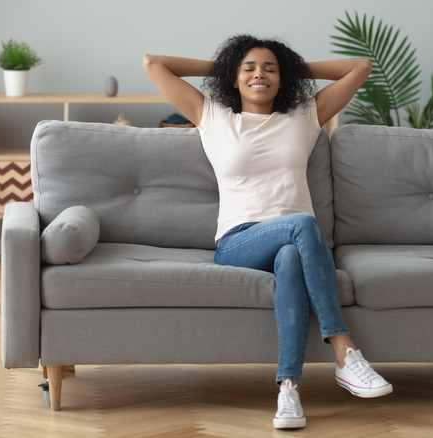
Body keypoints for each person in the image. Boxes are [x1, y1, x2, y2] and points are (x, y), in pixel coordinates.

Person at [144, 34, 392, 430]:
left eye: (270, 69)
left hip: (294, 244)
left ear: (283, 78)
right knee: (303, 223)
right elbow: (153, 62)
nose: (260, 74)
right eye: (249, 68)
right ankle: (345, 351)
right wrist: (227, 66)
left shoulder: (304, 116)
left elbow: (360, 67)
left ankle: (288, 390)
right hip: (238, 242)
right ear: (234, 77)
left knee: (292, 256)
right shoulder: (212, 116)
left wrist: (290, 65)